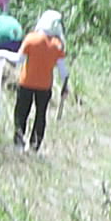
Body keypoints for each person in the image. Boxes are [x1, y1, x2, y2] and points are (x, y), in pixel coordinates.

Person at [14, 10, 67, 152]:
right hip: (45, 86)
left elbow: (19, 59)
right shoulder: (57, 45)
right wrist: (65, 86)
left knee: (21, 112)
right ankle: (34, 146)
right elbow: (63, 71)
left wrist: (0, 55)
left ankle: (18, 142)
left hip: (26, 82)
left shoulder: (31, 39)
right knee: (41, 115)